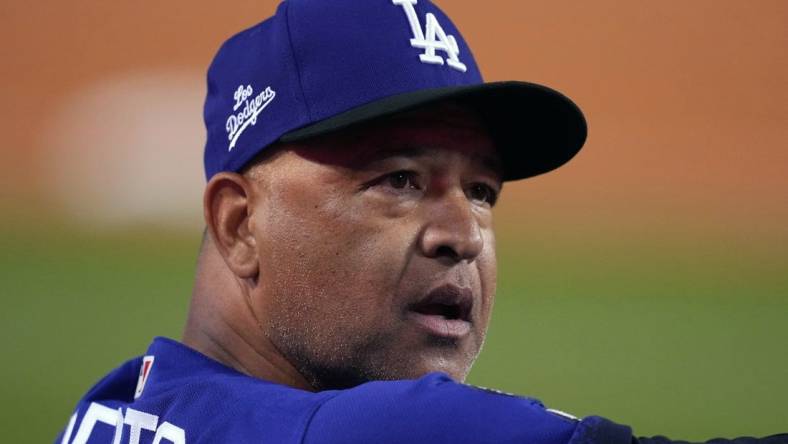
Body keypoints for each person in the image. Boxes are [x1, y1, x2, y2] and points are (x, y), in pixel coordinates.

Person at [56, 1, 786, 443]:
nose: (463, 234)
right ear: (240, 224)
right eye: (399, 181)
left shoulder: (121, 405)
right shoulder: (381, 432)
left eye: (481, 191)